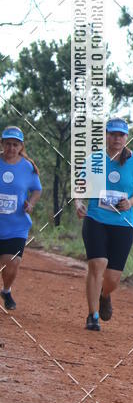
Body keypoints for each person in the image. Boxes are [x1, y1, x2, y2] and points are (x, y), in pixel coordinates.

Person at [75, 118, 133, 331]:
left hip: (123, 224)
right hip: (96, 219)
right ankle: (92, 315)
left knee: (113, 278)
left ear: (126, 137)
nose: (117, 138)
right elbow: (80, 186)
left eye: (121, 135)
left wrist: (130, 202)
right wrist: (79, 203)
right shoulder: (94, 159)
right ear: (106, 135)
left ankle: (104, 295)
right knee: (97, 264)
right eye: (113, 134)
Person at [0, 126, 43, 311]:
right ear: (2, 144)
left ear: (21, 146)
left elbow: (37, 189)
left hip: (17, 226)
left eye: (15, 145)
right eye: (8, 144)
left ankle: (7, 290)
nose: (11, 148)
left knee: (12, 264)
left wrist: (30, 204)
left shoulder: (28, 167)